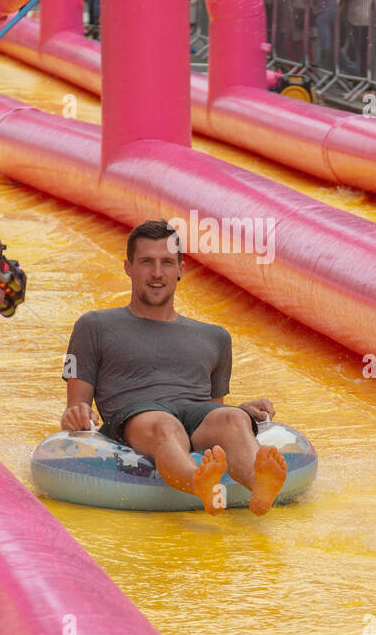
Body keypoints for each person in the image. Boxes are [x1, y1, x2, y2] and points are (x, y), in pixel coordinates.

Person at [60, 221, 287, 516]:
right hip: (136, 416)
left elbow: (209, 412)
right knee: (166, 424)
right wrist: (76, 415)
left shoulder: (215, 336)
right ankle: (199, 483)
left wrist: (242, 413)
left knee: (231, 418)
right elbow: (77, 406)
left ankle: (261, 487)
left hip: (194, 414)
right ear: (128, 267)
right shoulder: (94, 326)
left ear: (180, 268)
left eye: (166, 263)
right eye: (146, 262)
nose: (157, 273)